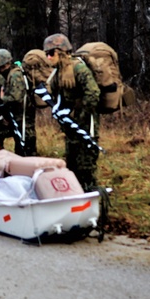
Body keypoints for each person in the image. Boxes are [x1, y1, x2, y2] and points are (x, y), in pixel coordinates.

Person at [42, 33, 101, 190]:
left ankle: (96, 206)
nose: (48, 57)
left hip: (86, 127)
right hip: (71, 129)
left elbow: (93, 93)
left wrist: (80, 116)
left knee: (86, 169)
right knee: (72, 168)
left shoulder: (79, 69)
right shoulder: (57, 73)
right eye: (46, 54)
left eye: (50, 53)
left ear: (60, 52)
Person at [0, 48, 36, 156]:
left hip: (23, 118)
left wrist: (2, 99)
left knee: (25, 149)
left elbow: (16, 97)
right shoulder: (11, 74)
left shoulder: (15, 75)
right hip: (17, 117)